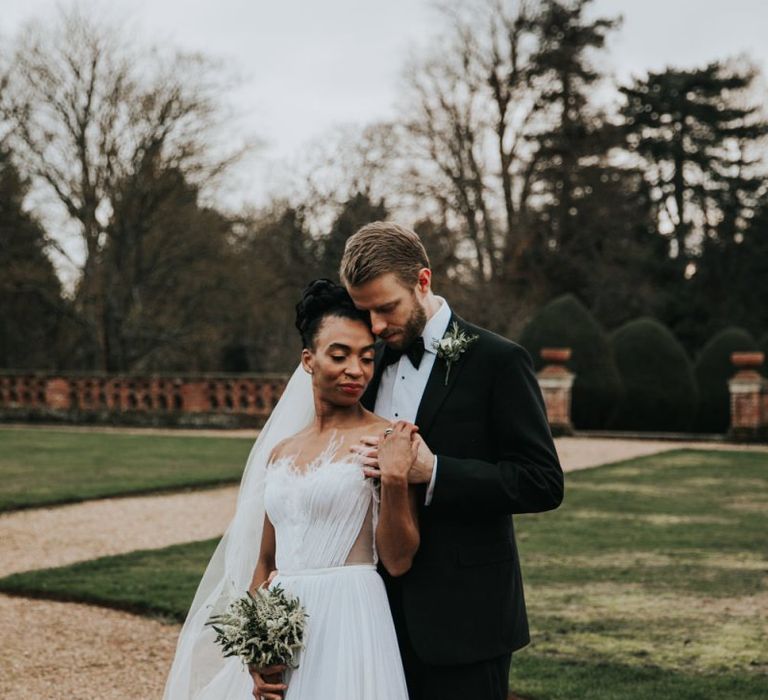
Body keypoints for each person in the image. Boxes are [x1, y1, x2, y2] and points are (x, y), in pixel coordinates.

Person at [340, 222, 565, 700]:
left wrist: (436, 471)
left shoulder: (499, 361)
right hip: (376, 617)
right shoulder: (371, 363)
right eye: (366, 313)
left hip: (468, 619)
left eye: (386, 308)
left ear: (423, 281)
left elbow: (542, 481)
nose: (377, 327)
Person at [163, 279, 417, 700]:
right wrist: (256, 650)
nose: (356, 369)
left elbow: (399, 559)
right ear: (308, 360)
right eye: (340, 355)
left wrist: (392, 480)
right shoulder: (282, 451)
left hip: (350, 620)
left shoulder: (387, 439)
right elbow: (265, 561)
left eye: (366, 358)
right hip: (283, 629)